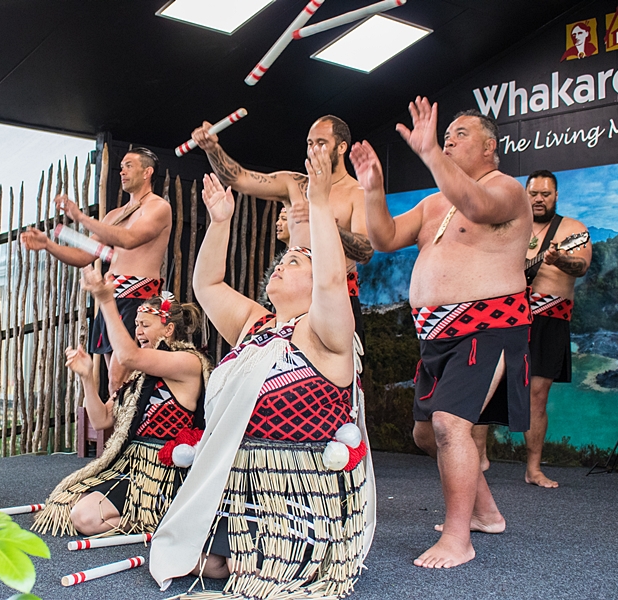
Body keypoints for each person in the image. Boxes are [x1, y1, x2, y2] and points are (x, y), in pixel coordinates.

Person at [150, 148, 375, 598]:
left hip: (299, 492)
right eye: (281, 260)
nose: (281, 264)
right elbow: (206, 286)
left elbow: (333, 282)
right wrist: (220, 223)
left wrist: (319, 205)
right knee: (197, 562)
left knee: (237, 571)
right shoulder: (255, 323)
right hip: (238, 482)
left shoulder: (327, 331)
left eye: (296, 262)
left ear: (317, 283)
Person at [351, 98, 532, 569]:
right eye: (445, 135)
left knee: (451, 426)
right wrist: (373, 189)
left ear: (490, 147)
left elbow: (474, 203)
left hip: (490, 325)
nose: (449, 140)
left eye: (460, 135)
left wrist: (430, 152)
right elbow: (383, 239)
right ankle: (486, 514)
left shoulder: (508, 190)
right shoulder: (434, 202)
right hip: (436, 333)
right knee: (426, 434)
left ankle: (458, 540)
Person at [32, 267, 212, 536]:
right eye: (136, 324)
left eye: (145, 325)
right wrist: (87, 378)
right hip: (130, 463)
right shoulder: (141, 374)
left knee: (85, 518)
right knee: (69, 502)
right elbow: (101, 419)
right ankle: (151, 518)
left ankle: (157, 521)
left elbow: (127, 356)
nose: (138, 331)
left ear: (169, 328)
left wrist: (106, 300)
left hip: (163, 469)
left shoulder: (186, 362)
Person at [191, 115, 372, 343]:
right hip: (291, 298)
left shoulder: (357, 193)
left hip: (334, 303)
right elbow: (239, 178)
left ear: (342, 147)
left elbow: (365, 251)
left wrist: (322, 218)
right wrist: (212, 148)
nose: (313, 149)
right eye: (309, 143)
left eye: (321, 143)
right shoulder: (294, 184)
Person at [21, 147, 172, 395]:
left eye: (129, 165)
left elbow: (130, 239)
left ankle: (124, 430)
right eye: (121, 166)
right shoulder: (114, 216)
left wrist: (80, 217)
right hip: (111, 299)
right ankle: (118, 429)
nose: (122, 171)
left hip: (138, 298)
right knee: (115, 382)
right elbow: (84, 256)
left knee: (119, 377)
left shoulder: (158, 207)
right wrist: (48, 245)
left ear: (147, 172)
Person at [475, 170, 592, 487]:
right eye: (534, 193)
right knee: (486, 387)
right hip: (504, 317)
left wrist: (559, 261)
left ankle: (533, 469)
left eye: (546, 194)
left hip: (549, 319)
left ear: (556, 196)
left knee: (537, 397)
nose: (539, 199)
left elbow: (581, 266)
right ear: (525, 195)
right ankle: (477, 458)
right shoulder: (510, 227)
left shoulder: (572, 230)